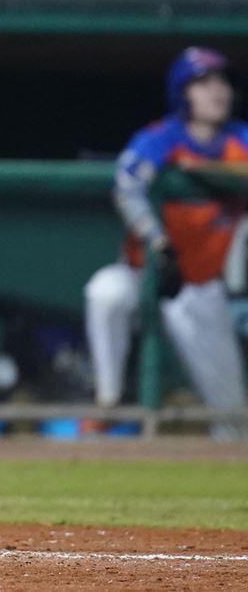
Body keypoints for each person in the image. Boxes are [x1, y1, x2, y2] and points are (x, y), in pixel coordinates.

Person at [84, 47, 248, 441]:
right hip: (146, 269)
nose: (218, 91)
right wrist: (158, 242)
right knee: (104, 293)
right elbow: (125, 186)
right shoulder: (161, 137)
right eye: (204, 83)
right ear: (183, 93)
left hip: (200, 287)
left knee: (234, 420)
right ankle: (107, 398)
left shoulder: (240, 139)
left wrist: (207, 171)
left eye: (221, 82)